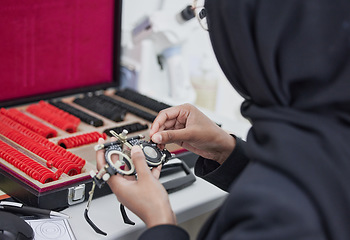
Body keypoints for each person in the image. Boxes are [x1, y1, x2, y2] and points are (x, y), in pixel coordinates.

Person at [96, 0, 350, 239]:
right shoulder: (327, 130)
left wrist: (159, 220)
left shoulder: (281, 217)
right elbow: (298, 169)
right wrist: (227, 150)